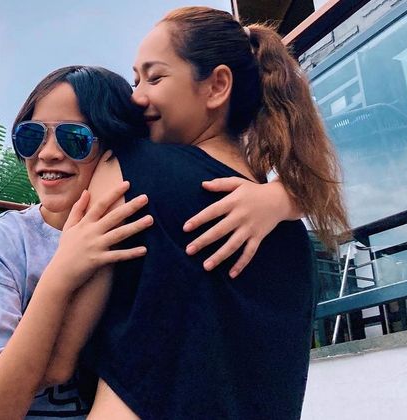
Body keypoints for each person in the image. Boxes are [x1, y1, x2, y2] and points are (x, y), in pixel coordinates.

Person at [0, 65, 302, 419]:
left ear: (118, 148)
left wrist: (279, 197)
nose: (48, 153)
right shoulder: (6, 241)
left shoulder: (151, 234)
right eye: (30, 136)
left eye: (74, 138)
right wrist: (61, 274)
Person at [79, 7, 350, 419]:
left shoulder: (129, 166)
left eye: (154, 77)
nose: (136, 96)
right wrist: (285, 197)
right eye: (136, 80)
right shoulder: (293, 234)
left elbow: (63, 350)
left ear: (217, 85)